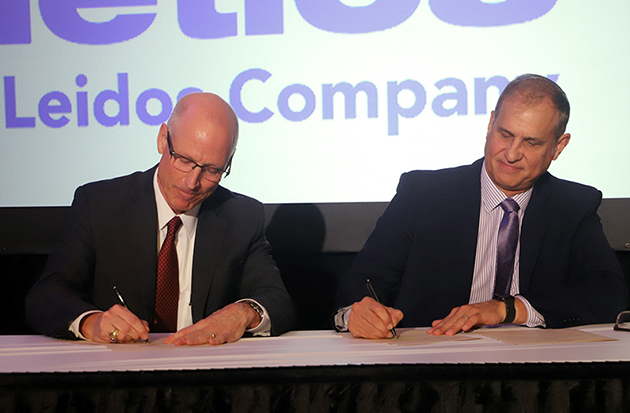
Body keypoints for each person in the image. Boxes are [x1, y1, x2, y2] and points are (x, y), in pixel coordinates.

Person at [335, 74, 628, 339]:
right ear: (490, 124)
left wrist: (506, 310)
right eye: (505, 134)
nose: (512, 154)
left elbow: (609, 293)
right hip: (432, 363)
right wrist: (355, 313)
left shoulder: (574, 206)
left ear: (558, 147)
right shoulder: (424, 195)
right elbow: (362, 281)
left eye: (531, 142)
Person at [26, 93, 296, 345]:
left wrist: (242, 313)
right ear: (162, 139)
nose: (193, 182)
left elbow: (278, 301)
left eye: (212, 170)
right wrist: (92, 323)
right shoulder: (100, 205)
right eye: (184, 160)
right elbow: (46, 295)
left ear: (229, 163)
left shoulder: (242, 216)